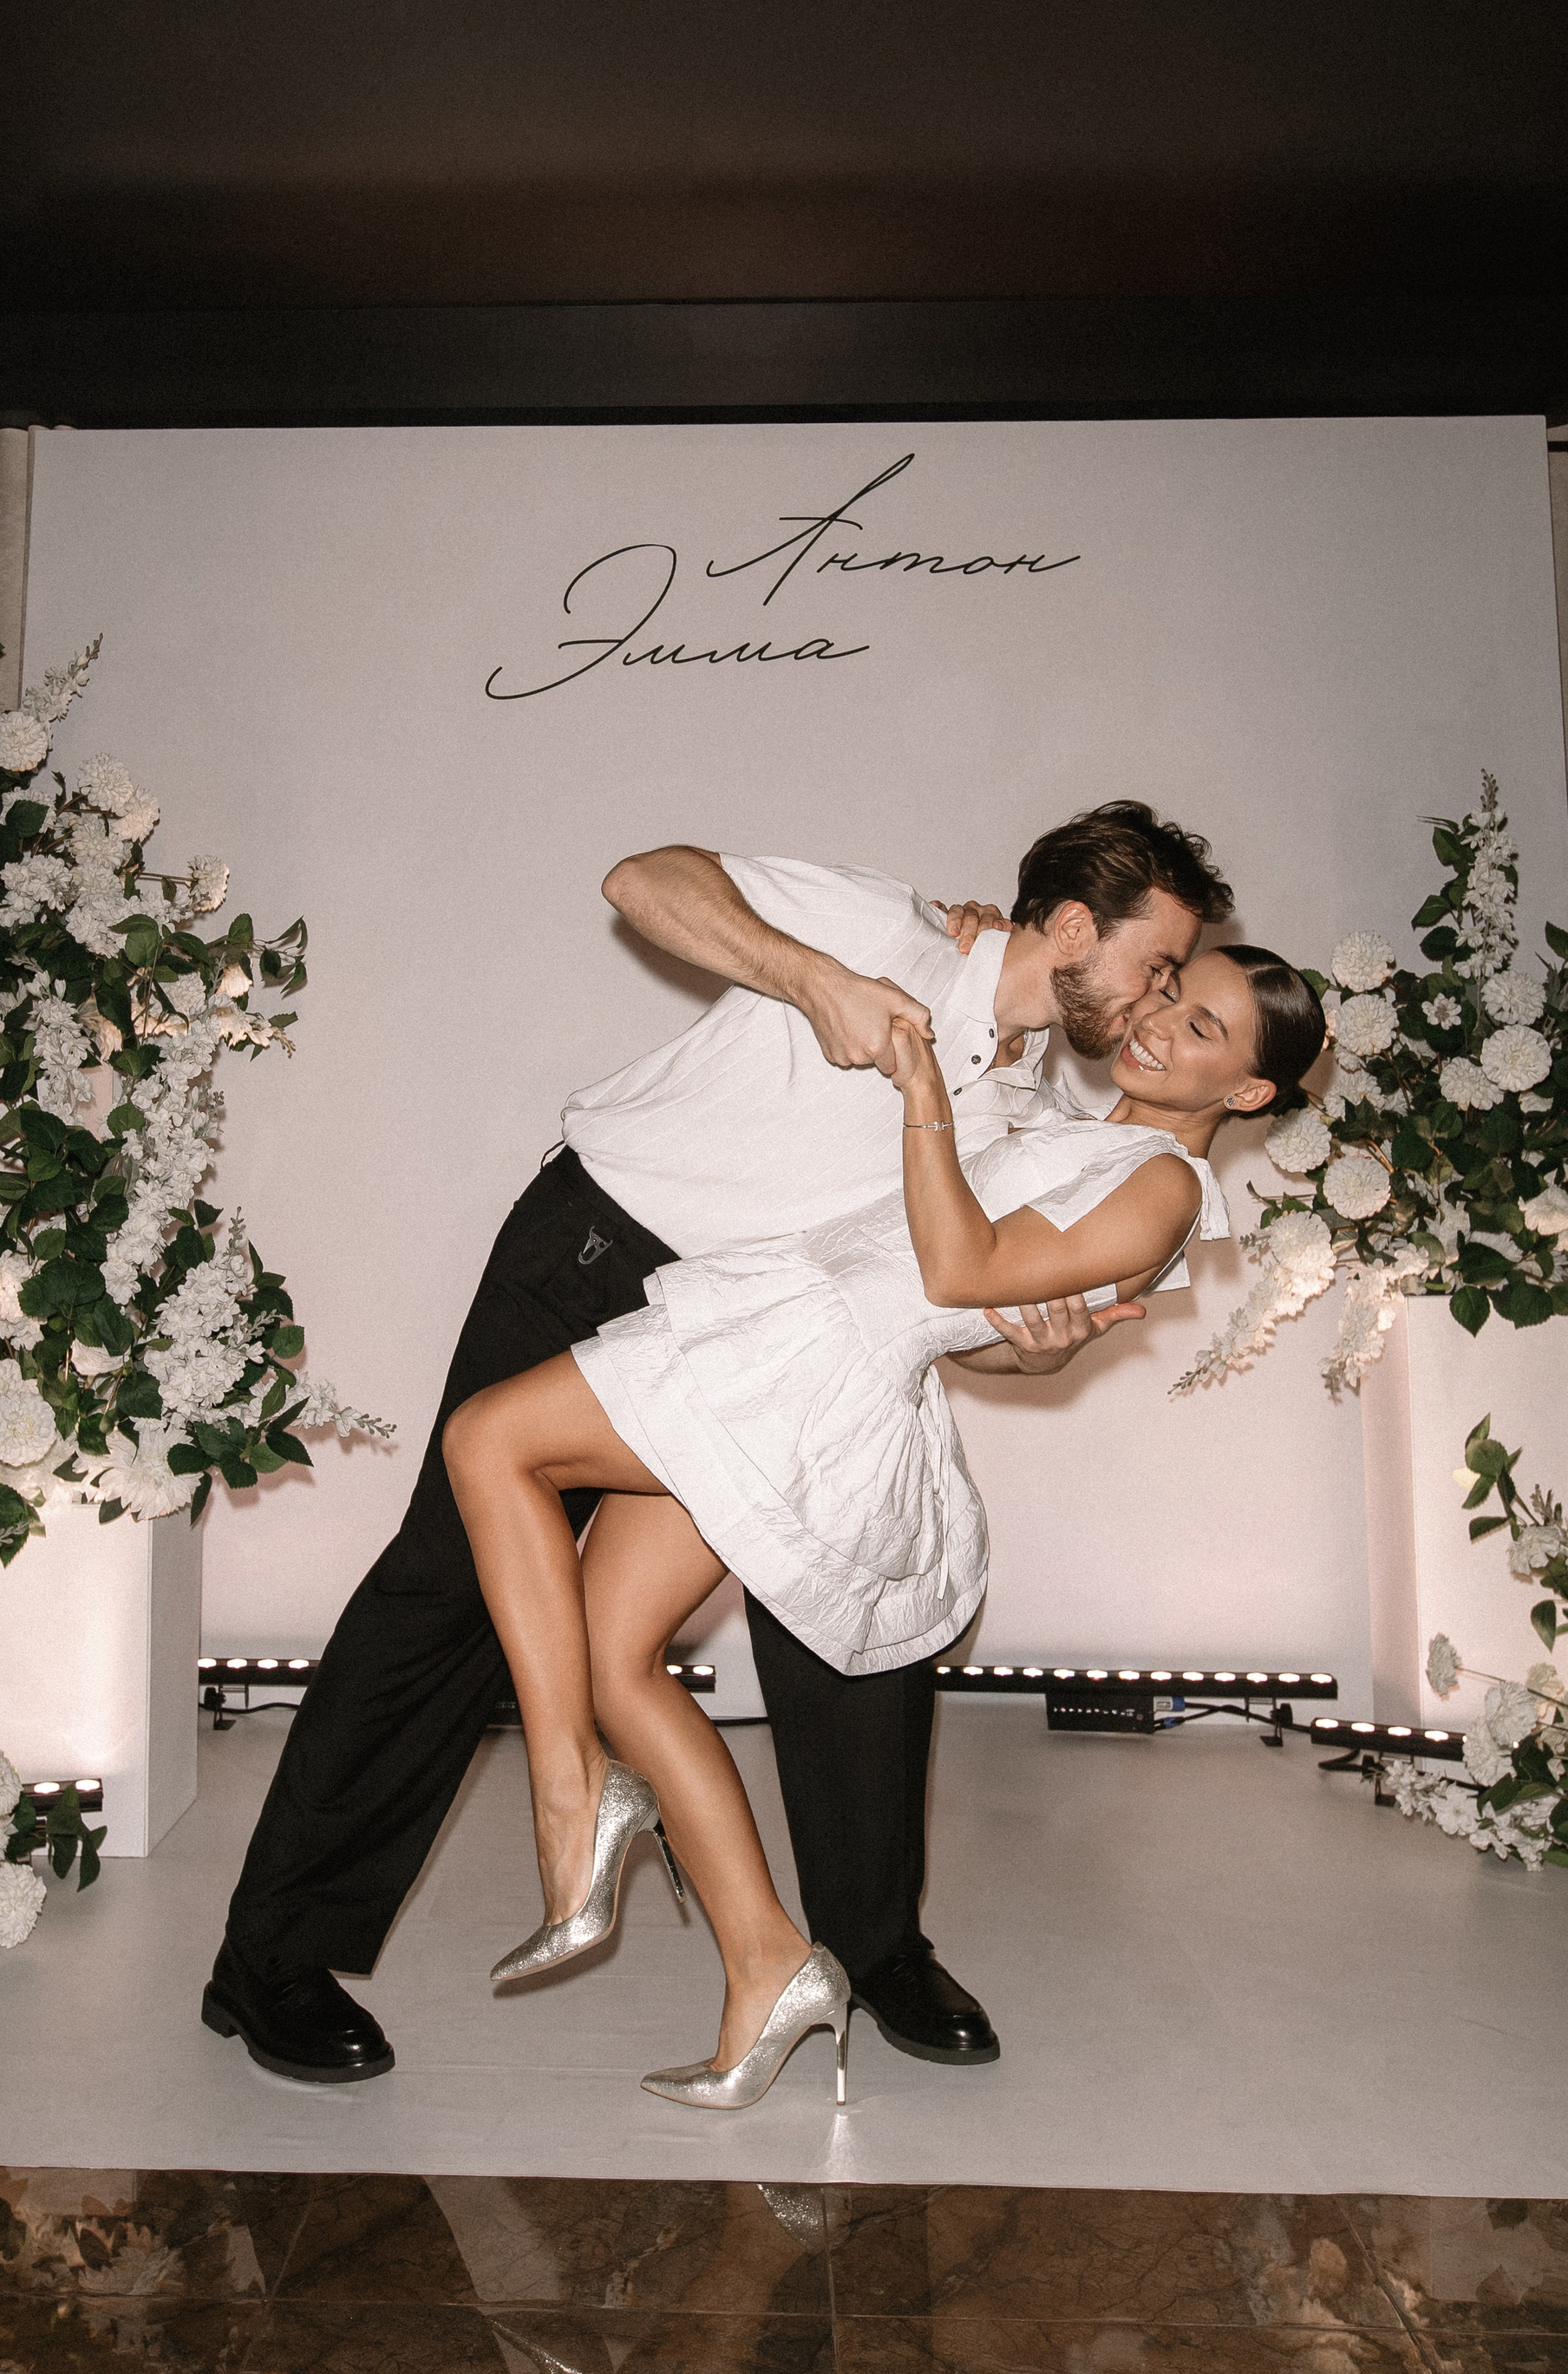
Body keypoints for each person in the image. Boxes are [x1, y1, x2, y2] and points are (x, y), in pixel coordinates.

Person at [204, 801, 1235, 2086]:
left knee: (850, 1611)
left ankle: (870, 1948)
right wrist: (813, 979)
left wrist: (1024, 1348)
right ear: (1074, 928)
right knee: (449, 1589)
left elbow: (928, 1282)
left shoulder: (1022, 1102)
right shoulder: (887, 925)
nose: (1158, 997)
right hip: (599, 1252)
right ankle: (276, 1961)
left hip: (759, 1340)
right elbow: (645, 879)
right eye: (1158, 964)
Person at [441, 945, 1328, 2109]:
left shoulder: (1165, 1187)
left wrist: (922, 1096)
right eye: (1170, 990)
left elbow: (957, 1272)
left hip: (811, 1379)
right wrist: (1025, 1331)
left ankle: (570, 1794)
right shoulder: (1080, 1130)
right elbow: (984, 1317)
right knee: (613, 1662)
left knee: (488, 1440)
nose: (1160, 1020)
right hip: (782, 1334)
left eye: (1203, 1026)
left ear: (1250, 1091)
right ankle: (768, 1962)